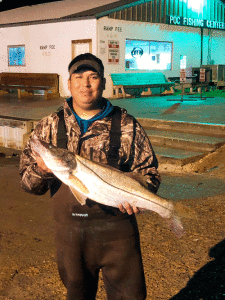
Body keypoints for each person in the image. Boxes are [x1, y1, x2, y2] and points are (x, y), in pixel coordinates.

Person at [20, 53, 161, 300]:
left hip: (119, 234)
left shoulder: (127, 124)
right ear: (69, 82)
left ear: (103, 83)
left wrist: (140, 198)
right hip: (71, 236)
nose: (86, 84)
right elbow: (28, 184)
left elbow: (149, 172)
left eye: (93, 77)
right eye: (79, 77)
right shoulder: (48, 126)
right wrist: (42, 170)